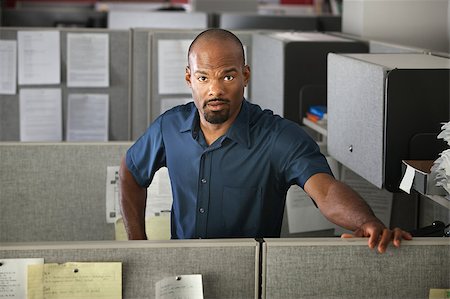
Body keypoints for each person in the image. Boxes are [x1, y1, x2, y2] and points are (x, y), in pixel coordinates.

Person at [119, 28, 412, 253]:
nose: (215, 90)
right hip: (183, 275)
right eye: (203, 78)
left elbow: (325, 190)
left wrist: (365, 222)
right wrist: (138, 245)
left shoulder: (279, 137)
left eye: (228, 77)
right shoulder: (168, 128)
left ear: (245, 75)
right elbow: (130, 171)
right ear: (189, 79)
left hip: (252, 276)